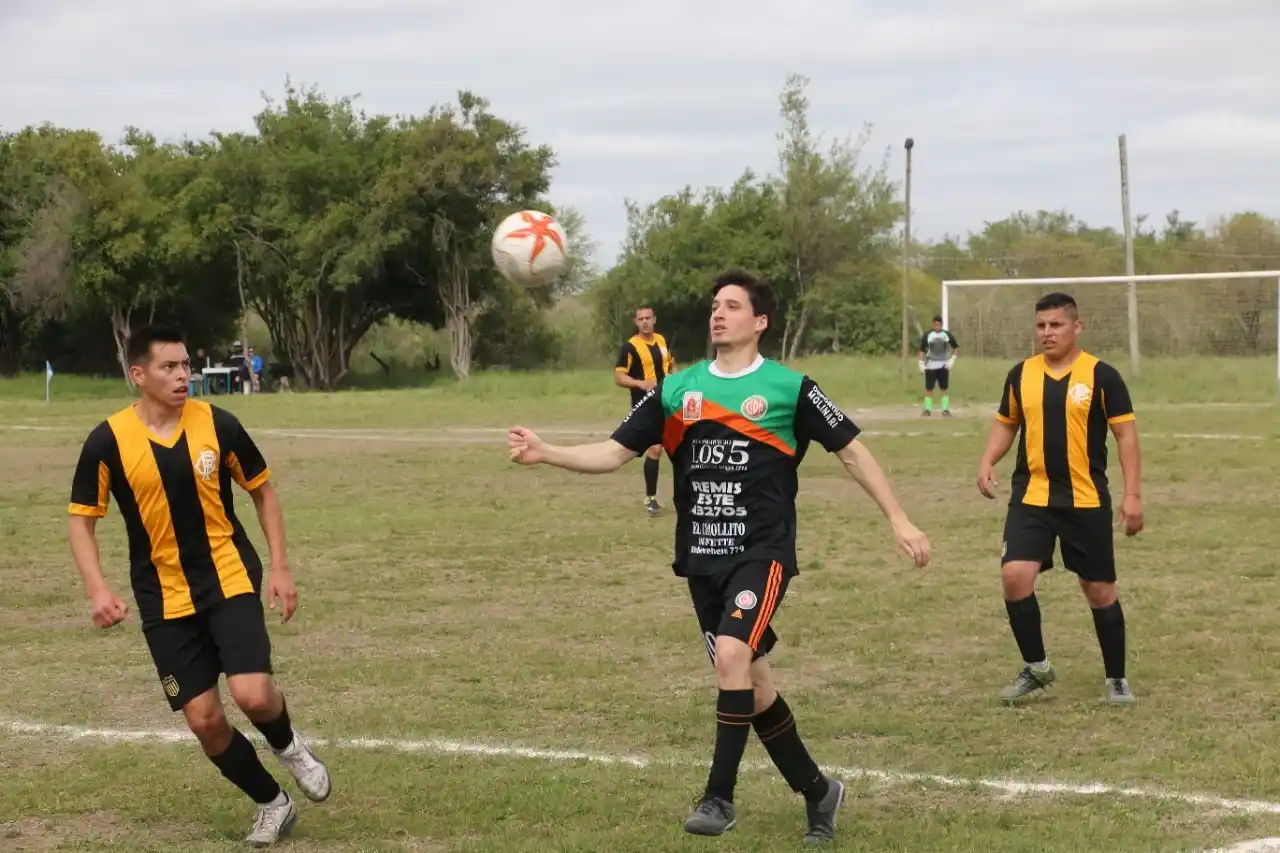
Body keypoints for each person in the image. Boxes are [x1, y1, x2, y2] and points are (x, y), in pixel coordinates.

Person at [510, 270, 931, 844]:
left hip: (761, 553)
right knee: (752, 686)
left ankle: (718, 797)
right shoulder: (676, 390)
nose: (718, 313)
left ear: (760, 322)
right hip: (700, 558)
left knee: (732, 655)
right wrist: (546, 452)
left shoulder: (790, 389)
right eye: (715, 305)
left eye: (732, 306)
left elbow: (853, 452)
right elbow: (612, 453)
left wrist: (899, 518)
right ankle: (819, 792)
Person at [66, 325, 332, 846]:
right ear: (138, 375)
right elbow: (81, 521)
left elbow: (263, 492)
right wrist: (97, 589)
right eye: (169, 367)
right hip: (163, 597)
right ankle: (272, 804)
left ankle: (288, 745)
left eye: (185, 365)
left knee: (253, 695)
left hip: (228, 575)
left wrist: (280, 567)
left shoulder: (218, 424)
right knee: (205, 720)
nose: (183, 375)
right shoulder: (108, 441)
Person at [975, 292, 1143, 706]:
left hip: (1085, 500)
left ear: (1076, 327)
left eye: (1056, 325)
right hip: (1031, 497)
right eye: (1041, 326)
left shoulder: (1102, 376)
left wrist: (1133, 495)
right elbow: (1007, 422)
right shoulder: (1021, 374)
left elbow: (1125, 435)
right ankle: (1037, 667)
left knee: (1098, 590)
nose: (1047, 333)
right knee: (1015, 575)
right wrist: (988, 459)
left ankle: (1116, 679)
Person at [613, 304, 677, 515]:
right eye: (641, 319)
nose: (645, 322)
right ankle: (651, 498)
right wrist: (641, 384)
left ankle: (683, 496)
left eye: (648, 318)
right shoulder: (630, 347)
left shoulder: (662, 341)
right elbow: (619, 377)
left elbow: (671, 365)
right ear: (636, 322)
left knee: (677, 446)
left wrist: (677, 383)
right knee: (655, 448)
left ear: (654, 319)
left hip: (668, 399)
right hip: (646, 403)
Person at [917, 316, 959, 416]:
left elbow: (956, 347)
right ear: (933, 324)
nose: (937, 327)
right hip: (931, 365)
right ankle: (927, 409)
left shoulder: (946, 335)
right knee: (929, 388)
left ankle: (945, 409)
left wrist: (952, 359)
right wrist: (921, 363)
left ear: (941, 325)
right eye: (935, 325)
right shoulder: (928, 335)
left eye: (939, 325)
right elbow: (922, 350)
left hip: (943, 365)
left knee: (944, 388)